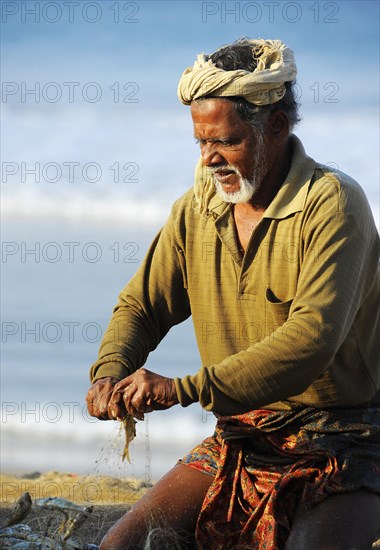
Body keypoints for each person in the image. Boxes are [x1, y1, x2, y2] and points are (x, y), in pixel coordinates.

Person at [86, 39, 380, 549]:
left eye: (225, 141)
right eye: (200, 143)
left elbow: (311, 341)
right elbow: (142, 305)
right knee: (121, 546)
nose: (208, 160)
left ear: (277, 128)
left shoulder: (333, 204)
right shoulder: (197, 207)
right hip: (244, 433)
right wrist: (111, 369)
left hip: (350, 436)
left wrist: (180, 389)